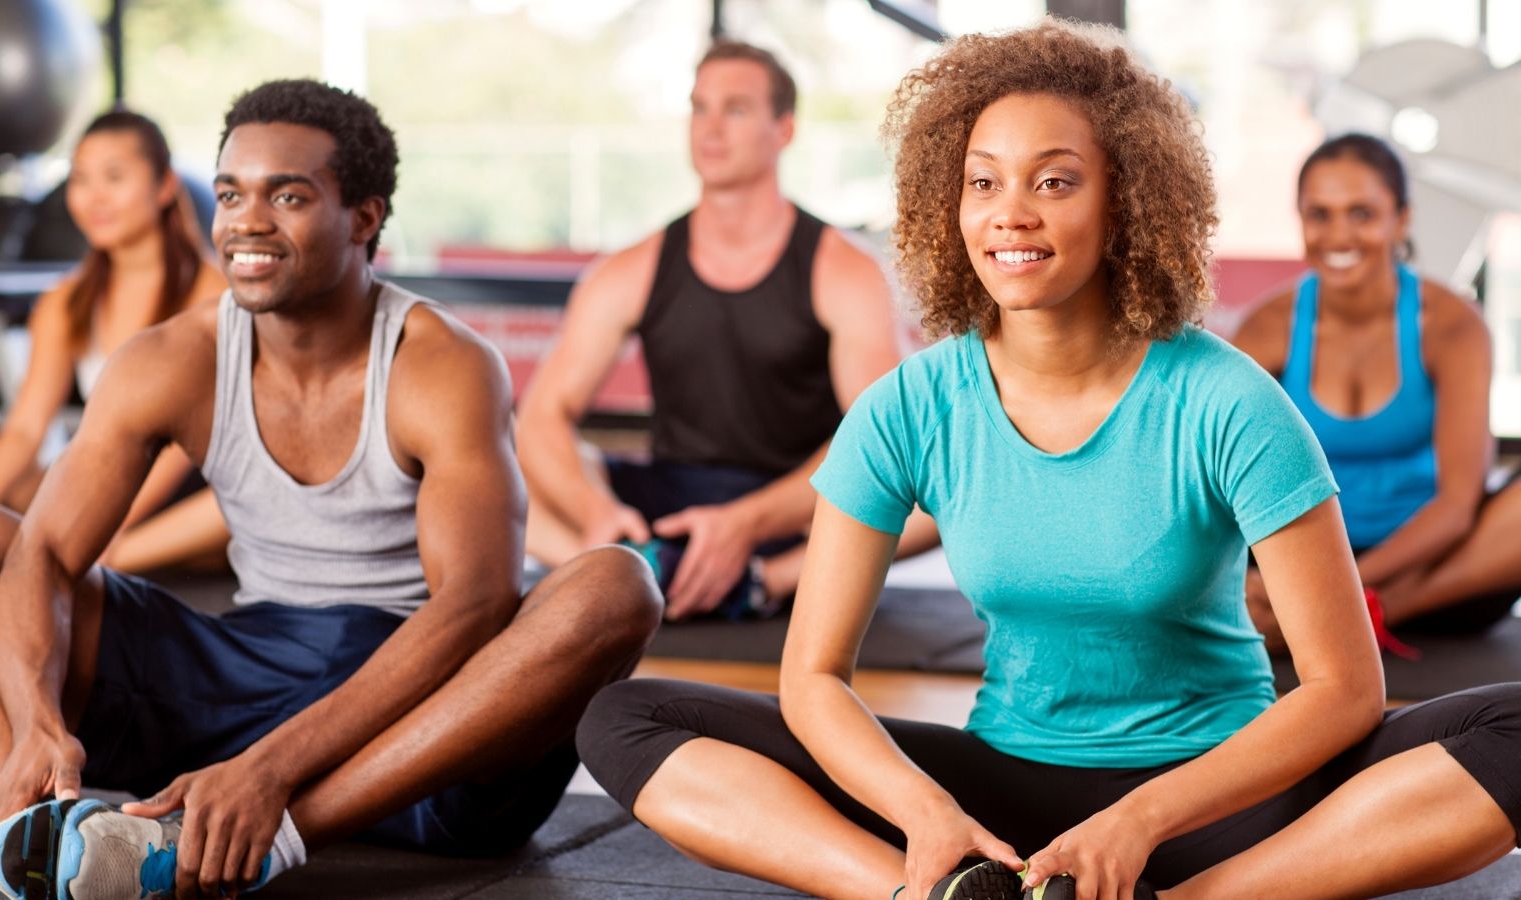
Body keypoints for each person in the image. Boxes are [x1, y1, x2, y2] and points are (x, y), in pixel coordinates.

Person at [576, 21, 1521, 900]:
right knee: (627, 720)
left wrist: (1142, 820)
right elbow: (813, 676)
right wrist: (926, 817)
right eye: (983, 183)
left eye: (1055, 181)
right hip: (1000, 797)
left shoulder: (1227, 400)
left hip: (1215, 799)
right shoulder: (910, 405)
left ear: (1126, 205)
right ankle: (930, 895)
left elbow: (1343, 689)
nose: (1011, 214)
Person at [0, 79, 660, 899]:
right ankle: (31, 829)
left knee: (618, 583)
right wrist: (35, 724)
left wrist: (269, 771)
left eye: (290, 195)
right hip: (244, 663)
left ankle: (273, 836)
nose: (247, 220)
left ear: (365, 218)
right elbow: (46, 554)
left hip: (420, 721)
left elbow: (474, 606)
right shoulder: (172, 358)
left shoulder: (441, 363)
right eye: (233, 192)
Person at [517, 39, 935, 622]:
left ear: (783, 129)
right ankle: (608, 567)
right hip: (667, 507)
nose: (711, 128)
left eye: (736, 109)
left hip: (799, 511)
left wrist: (748, 523)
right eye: (700, 107)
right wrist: (593, 509)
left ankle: (765, 583)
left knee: (939, 480)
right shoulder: (630, 269)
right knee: (492, 462)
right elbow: (543, 415)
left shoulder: (842, 271)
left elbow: (880, 441)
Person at [1234, 133, 1521, 652]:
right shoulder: (1268, 327)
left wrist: (1343, 594)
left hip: (1431, 570)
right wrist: (1265, 585)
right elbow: (1223, 478)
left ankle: (1373, 615)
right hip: (1301, 562)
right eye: (1319, 214)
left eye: (1362, 213)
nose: (1338, 234)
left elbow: (1458, 505)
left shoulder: (1452, 326)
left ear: (1401, 221)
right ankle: (1336, 613)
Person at [0, 110, 230, 574]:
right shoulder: (66, 300)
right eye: (80, 179)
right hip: (104, 478)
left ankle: (88, 561)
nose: (94, 198)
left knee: (251, 505)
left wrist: (112, 528)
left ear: (165, 186)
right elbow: (26, 429)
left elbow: (181, 446)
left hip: (193, 489)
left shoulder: (214, 294)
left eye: (114, 177)